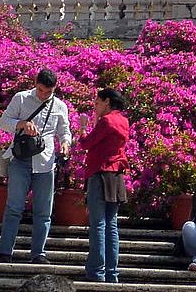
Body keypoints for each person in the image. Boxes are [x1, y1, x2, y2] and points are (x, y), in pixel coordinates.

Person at [0, 69, 72, 264]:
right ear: (35, 83)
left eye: (48, 91)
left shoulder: (60, 105)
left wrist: (65, 143)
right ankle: (5, 251)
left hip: (46, 163)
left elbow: (65, 131)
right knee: (14, 207)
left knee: (44, 211)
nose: (43, 94)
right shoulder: (21, 98)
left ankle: (38, 253)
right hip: (20, 159)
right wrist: (22, 124)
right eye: (40, 90)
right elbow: (3, 122)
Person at [79, 88, 130, 283]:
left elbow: (86, 144)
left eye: (97, 103)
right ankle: (112, 273)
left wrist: (84, 127)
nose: (95, 106)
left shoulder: (106, 121)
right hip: (116, 177)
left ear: (107, 102)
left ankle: (96, 272)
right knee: (112, 225)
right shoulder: (123, 121)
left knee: (98, 225)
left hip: (100, 174)